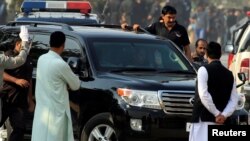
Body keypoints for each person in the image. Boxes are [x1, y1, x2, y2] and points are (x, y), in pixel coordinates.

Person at [31, 31, 81, 141]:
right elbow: (76, 85)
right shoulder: (61, 64)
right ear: (63, 45)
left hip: (42, 110)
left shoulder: (41, 59)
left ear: (50, 43)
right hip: (56, 113)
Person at [189, 41, 238, 141]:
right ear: (220, 54)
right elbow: (234, 99)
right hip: (221, 122)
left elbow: (204, 95)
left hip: (203, 120)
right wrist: (223, 115)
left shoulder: (203, 70)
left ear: (206, 54)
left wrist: (217, 114)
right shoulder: (229, 74)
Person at [121, 5, 192, 61]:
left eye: (173, 17)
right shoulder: (156, 26)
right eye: (169, 17)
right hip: (160, 62)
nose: (172, 20)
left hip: (176, 62)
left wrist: (189, 64)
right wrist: (128, 27)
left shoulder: (181, 29)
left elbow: (187, 49)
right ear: (163, 16)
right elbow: (141, 32)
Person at [0, 37, 34, 141]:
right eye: (26, 44)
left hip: (19, 101)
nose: (28, 47)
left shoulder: (28, 59)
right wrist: (15, 80)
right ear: (18, 44)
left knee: (20, 128)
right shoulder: (7, 55)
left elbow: (29, 80)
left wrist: (30, 99)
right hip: (5, 98)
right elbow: (2, 73)